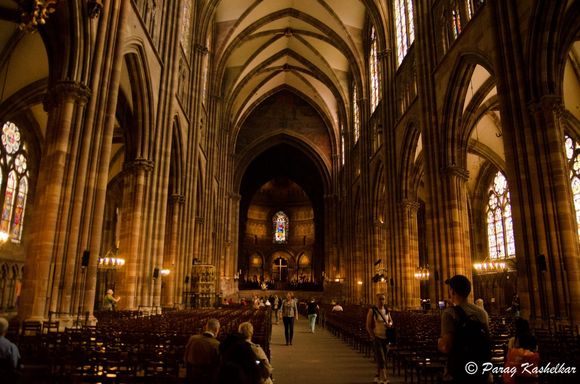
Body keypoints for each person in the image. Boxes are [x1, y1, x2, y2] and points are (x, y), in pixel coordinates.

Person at [438, 274, 490, 384]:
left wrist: (439, 342)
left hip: (459, 371)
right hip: (480, 369)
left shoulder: (449, 313)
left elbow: (446, 347)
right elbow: (487, 339)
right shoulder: (482, 313)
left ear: (452, 292)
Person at [184, 318, 221, 384]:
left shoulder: (193, 338)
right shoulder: (216, 344)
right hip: (207, 378)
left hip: (192, 374)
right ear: (216, 330)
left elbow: (185, 356)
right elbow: (217, 364)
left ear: (206, 327)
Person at [366, 294, 393, 384]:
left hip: (386, 338)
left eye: (383, 299)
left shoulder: (386, 310)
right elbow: (368, 326)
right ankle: (385, 378)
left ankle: (377, 376)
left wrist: (390, 324)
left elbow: (391, 321)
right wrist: (373, 336)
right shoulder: (372, 311)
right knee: (381, 358)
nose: (382, 301)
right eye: (380, 299)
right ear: (376, 300)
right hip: (377, 337)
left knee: (383, 357)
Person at [503, 318, 539, 384]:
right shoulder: (533, 340)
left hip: (514, 378)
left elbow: (508, 360)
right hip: (531, 377)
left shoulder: (513, 341)